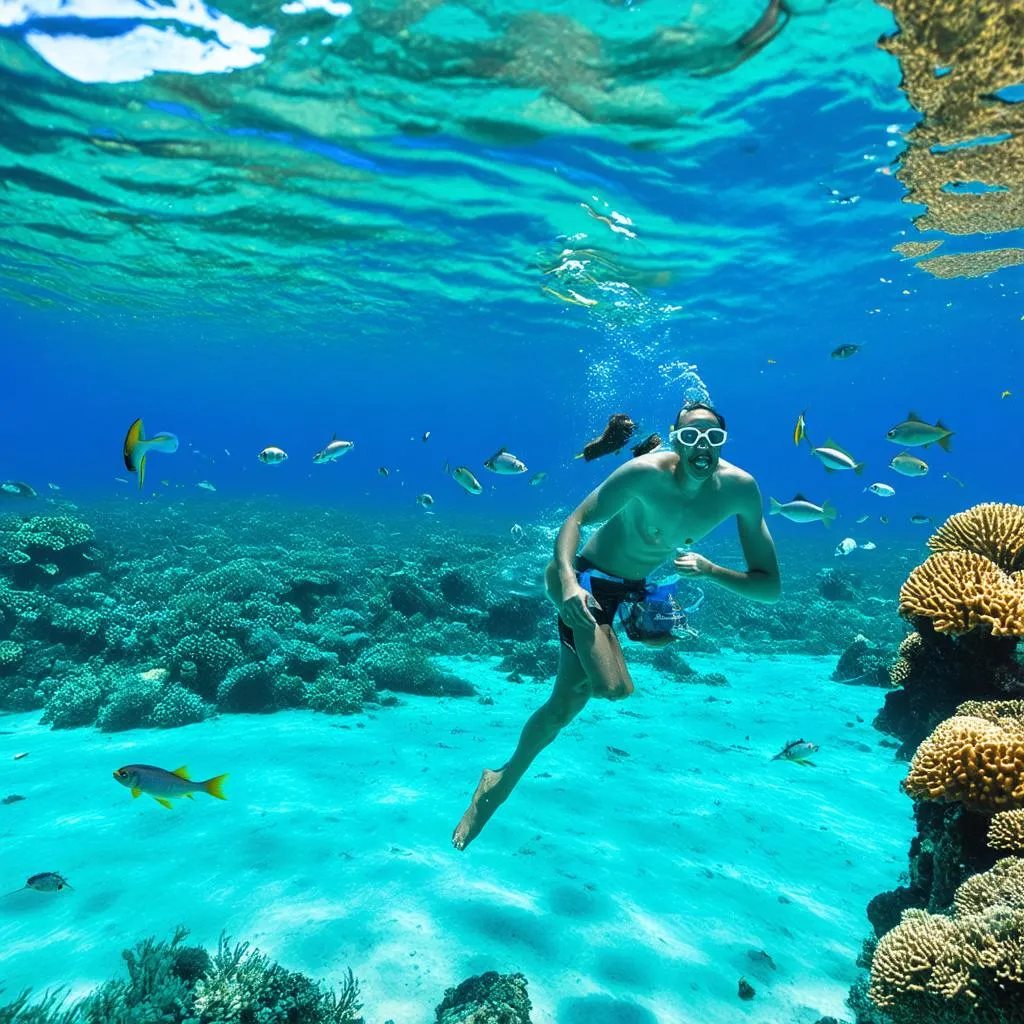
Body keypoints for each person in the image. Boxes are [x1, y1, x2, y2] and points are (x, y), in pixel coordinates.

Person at [452, 401, 781, 851]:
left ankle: (499, 779)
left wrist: (708, 570)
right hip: (586, 581)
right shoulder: (644, 472)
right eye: (689, 437)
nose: (701, 447)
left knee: (567, 701)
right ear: (675, 440)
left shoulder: (740, 489)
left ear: (723, 442)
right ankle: (498, 786)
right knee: (609, 689)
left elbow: (769, 588)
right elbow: (575, 521)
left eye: (712, 438)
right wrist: (568, 582)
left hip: (633, 590)